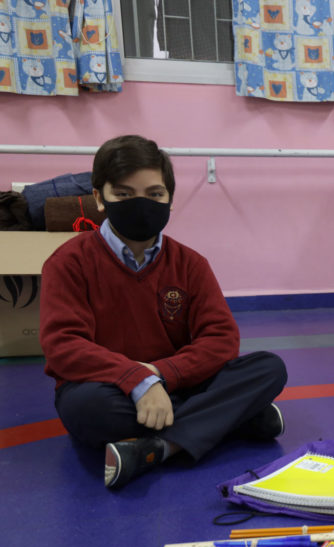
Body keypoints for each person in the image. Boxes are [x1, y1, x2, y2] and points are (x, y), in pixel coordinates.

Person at [39, 135, 288, 490]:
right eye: (124, 194)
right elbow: (64, 345)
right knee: (88, 410)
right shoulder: (68, 263)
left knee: (268, 368)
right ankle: (236, 418)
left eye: (155, 194)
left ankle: (159, 447)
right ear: (98, 197)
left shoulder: (190, 263)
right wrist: (134, 380)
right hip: (109, 390)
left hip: (177, 382)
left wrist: (157, 375)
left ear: (170, 199)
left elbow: (221, 339)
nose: (141, 204)